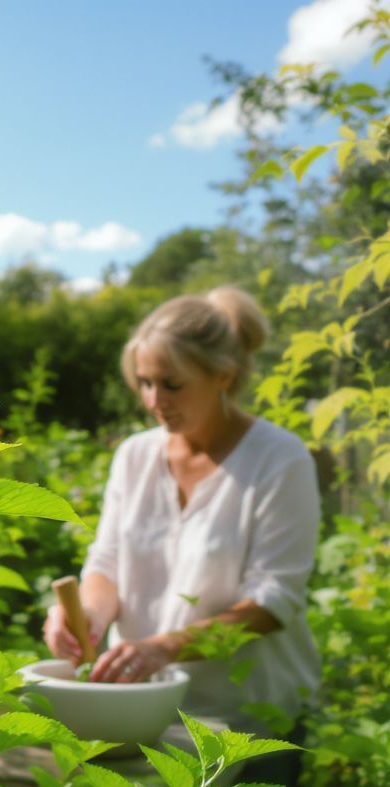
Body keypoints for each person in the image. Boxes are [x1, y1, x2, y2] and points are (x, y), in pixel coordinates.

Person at [44, 286, 321, 737]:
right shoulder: (135, 456)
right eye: (144, 382)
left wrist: (164, 648)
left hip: (246, 724)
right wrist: (88, 616)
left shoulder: (280, 460)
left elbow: (275, 600)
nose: (154, 400)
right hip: (138, 711)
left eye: (172, 385)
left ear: (224, 377)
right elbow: (108, 561)